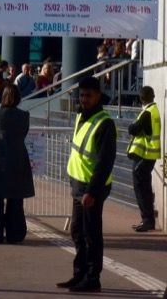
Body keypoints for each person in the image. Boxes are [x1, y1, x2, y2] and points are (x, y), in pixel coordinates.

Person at [56, 76, 117, 293]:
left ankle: (93, 278)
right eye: (81, 95)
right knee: (77, 232)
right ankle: (79, 273)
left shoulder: (104, 123)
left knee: (91, 234)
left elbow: (105, 162)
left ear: (98, 95)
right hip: (78, 185)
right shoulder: (82, 117)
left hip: (93, 188)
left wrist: (92, 190)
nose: (84, 99)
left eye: (88, 95)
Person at [0, 85, 35, 243]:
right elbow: (24, 132)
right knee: (16, 198)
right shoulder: (24, 115)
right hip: (18, 157)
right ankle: (15, 233)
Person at [127, 86, 161, 232]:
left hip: (144, 156)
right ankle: (148, 220)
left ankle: (147, 220)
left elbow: (133, 129)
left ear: (141, 99)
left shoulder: (147, 113)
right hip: (149, 156)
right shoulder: (154, 111)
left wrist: (132, 125)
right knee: (144, 187)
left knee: (141, 188)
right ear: (153, 96)